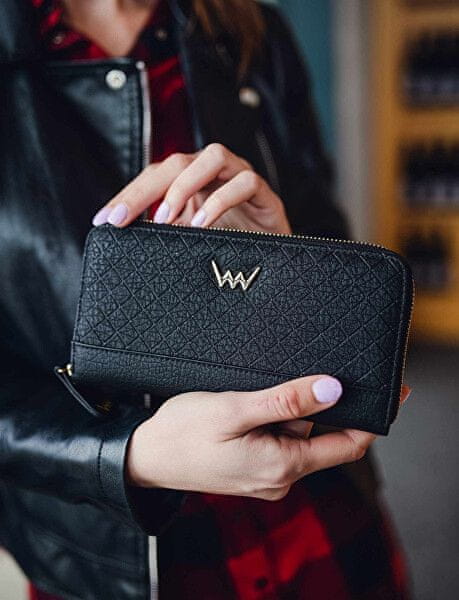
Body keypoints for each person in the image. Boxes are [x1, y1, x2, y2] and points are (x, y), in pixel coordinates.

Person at [0, 1, 410, 598]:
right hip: (117, 565)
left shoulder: (247, 28)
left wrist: (285, 265)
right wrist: (128, 455)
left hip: (321, 519)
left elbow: (332, 240)